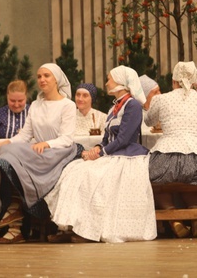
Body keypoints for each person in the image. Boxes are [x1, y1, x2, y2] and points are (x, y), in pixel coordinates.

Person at [45, 66, 155, 243]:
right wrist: (97, 148)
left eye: (109, 79)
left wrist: (101, 152)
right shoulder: (114, 108)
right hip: (112, 154)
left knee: (91, 177)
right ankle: (73, 225)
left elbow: (124, 139)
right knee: (73, 170)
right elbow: (106, 138)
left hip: (126, 156)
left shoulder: (132, 105)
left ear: (120, 82)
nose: (106, 83)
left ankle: (89, 231)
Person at [0, 63, 77, 244]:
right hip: (39, 152)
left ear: (56, 79)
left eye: (46, 76)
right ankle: (13, 218)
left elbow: (67, 138)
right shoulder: (36, 105)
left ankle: (16, 221)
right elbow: (25, 135)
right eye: (39, 76)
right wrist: (9, 141)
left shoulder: (67, 105)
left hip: (58, 153)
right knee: (5, 156)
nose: (42, 80)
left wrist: (47, 143)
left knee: (9, 159)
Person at [146, 61, 197, 238]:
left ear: (173, 80)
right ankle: (195, 217)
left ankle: (172, 217)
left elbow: (148, 121)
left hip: (167, 157)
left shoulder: (162, 98)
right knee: (190, 182)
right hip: (195, 158)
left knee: (151, 179)